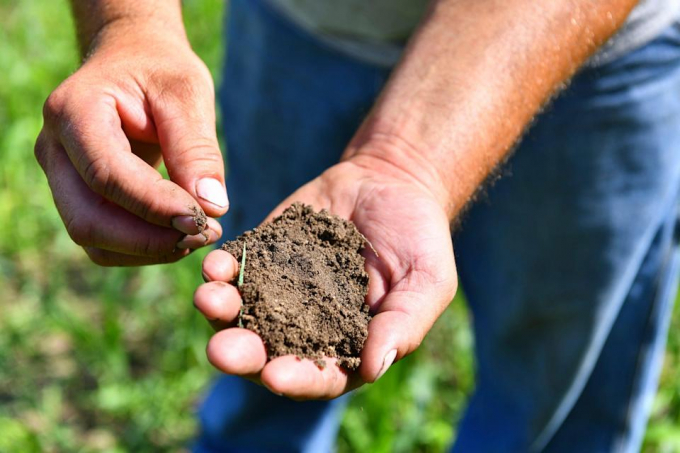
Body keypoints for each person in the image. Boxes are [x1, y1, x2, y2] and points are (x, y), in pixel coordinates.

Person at [35, 0, 680, 451]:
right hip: (299, 28)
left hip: (586, 52)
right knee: (260, 379)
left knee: (553, 382)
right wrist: (129, 23)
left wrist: (409, 158)